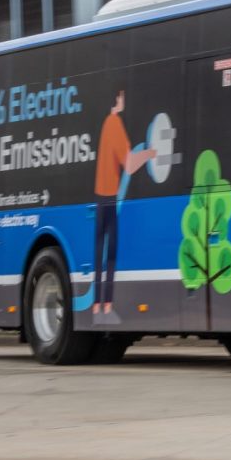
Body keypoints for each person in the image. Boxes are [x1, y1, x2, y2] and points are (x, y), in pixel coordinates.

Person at [93, 90, 156, 319]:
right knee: (110, 254)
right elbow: (129, 164)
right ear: (117, 100)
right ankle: (106, 306)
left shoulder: (106, 124)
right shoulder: (115, 123)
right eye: (122, 96)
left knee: (100, 252)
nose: (124, 100)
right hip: (109, 198)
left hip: (100, 197)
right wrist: (151, 153)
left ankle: (97, 305)